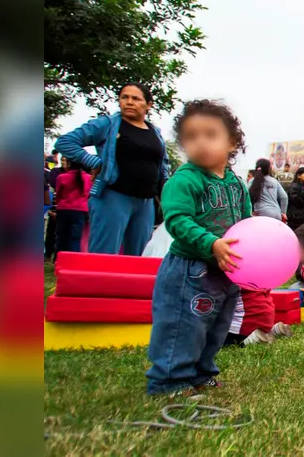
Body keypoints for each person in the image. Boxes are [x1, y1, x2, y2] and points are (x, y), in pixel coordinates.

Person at [145, 99, 249, 396]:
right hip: (189, 271)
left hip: (225, 271)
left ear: (232, 142)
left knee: (216, 327)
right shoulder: (185, 179)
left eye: (210, 134)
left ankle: (202, 373)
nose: (200, 142)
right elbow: (177, 220)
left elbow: (246, 224)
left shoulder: (236, 184)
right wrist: (211, 243)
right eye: (192, 136)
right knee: (182, 326)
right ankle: (170, 379)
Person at [55, 83, 170, 256]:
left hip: (145, 202)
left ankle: (130, 284)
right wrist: (93, 161)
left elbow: (163, 166)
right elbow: (65, 142)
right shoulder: (107, 125)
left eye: (136, 99)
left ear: (148, 104)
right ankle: (96, 284)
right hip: (112, 196)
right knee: (103, 255)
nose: (129, 102)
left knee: (139, 257)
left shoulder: (155, 132)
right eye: (124, 97)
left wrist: (167, 191)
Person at [224, 290, 293, 347]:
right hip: (266, 322)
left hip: (243, 328)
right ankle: (273, 331)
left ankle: (251, 340)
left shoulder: (230, 279)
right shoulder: (259, 279)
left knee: (217, 337)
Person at [54, 158, 92, 254]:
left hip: (64, 209)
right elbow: (89, 195)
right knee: (75, 239)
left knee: (61, 237)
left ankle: (59, 260)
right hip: (81, 210)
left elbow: (58, 195)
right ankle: (73, 262)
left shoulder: (62, 177)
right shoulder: (88, 178)